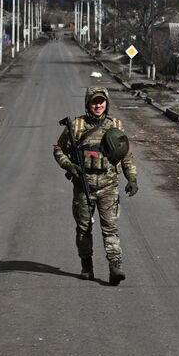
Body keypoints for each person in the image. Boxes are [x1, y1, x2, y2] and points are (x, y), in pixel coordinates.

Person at [53, 86, 137, 285]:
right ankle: (87, 266)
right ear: (87, 103)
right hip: (84, 187)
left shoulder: (115, 125)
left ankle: (115, 266)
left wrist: (132, 178)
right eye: (94, 102)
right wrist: (69, 165)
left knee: (110, 229)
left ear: (106, 103)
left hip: (109, 186)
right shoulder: (76, 126)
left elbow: (126, 154)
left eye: (101, 101)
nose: (98, 105)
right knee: (83, 229)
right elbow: (58, 149)